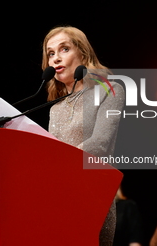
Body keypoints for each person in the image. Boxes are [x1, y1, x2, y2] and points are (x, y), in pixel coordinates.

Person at [43, 26, 125, 245]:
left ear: (83, 54)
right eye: (51, 53)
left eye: (64, 49)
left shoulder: (109, 90)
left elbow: (100, 143)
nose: (55, 59)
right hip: (59, 199)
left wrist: (59, 164)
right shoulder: (55, 108)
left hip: (93, 196)